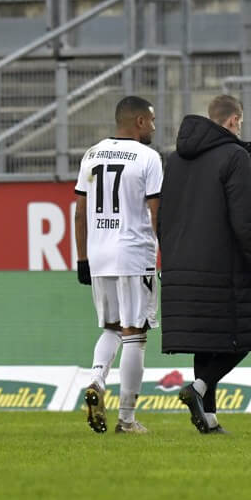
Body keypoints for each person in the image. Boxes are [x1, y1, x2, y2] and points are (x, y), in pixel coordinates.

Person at [159, 95, 251, 434]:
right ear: (233, 121)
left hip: (182, 264)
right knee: (249, 331)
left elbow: (163, 215)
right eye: (240, 123)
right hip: (224, 266)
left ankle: (209, 417)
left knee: (207, 338)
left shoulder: (173, 160)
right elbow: (246, 219)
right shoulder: (235, 156)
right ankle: (199, 389)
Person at [74, 96, 162, 435]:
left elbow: (80, 211)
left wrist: (82, 259)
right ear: (139, 121)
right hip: (133, 254)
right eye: (151, 121)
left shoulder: (92, 154)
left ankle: (97, 378)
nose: (154, 127)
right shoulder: (148, 157)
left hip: (99, 255)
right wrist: (164, 257)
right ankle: (126, 419)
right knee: (134, 334)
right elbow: (157, 213)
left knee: (111, 328)